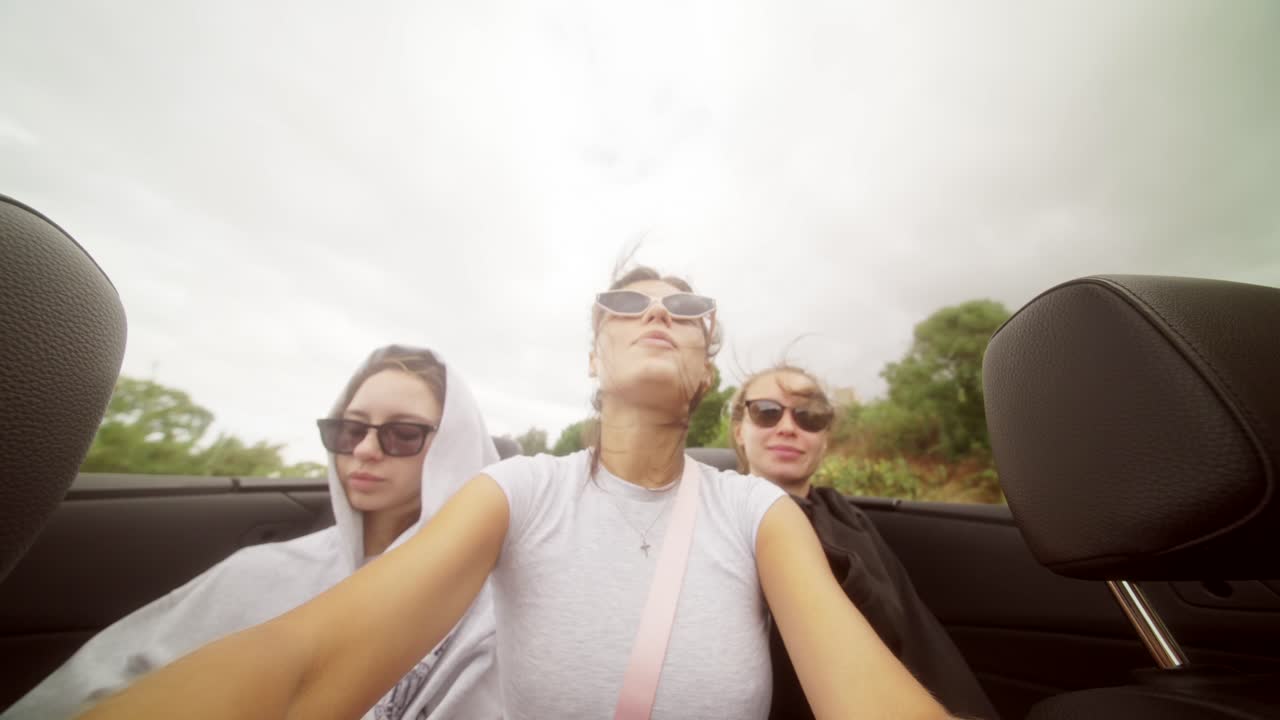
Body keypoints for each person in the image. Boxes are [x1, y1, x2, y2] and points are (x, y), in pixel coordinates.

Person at [78, 266, 954, 720]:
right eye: (627, 302)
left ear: (704, 366)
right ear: (592, 356)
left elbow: (865, 696)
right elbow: (312, 660)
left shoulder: (755, 512)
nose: (657, 313)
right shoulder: (520, 491)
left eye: (686, 308)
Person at [4, 346, 500, 720]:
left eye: (403, 433)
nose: (366, 449)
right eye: (351, 429)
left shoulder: (492, 607)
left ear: (452, 448)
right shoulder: (260, 569)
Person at [729, 364, 999, 720]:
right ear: (738, 431)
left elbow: (921, 644)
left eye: (810, 417)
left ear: (825, 438)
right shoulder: (716, 520)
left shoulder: (850, 519)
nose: (788, 428)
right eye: (766, 412)